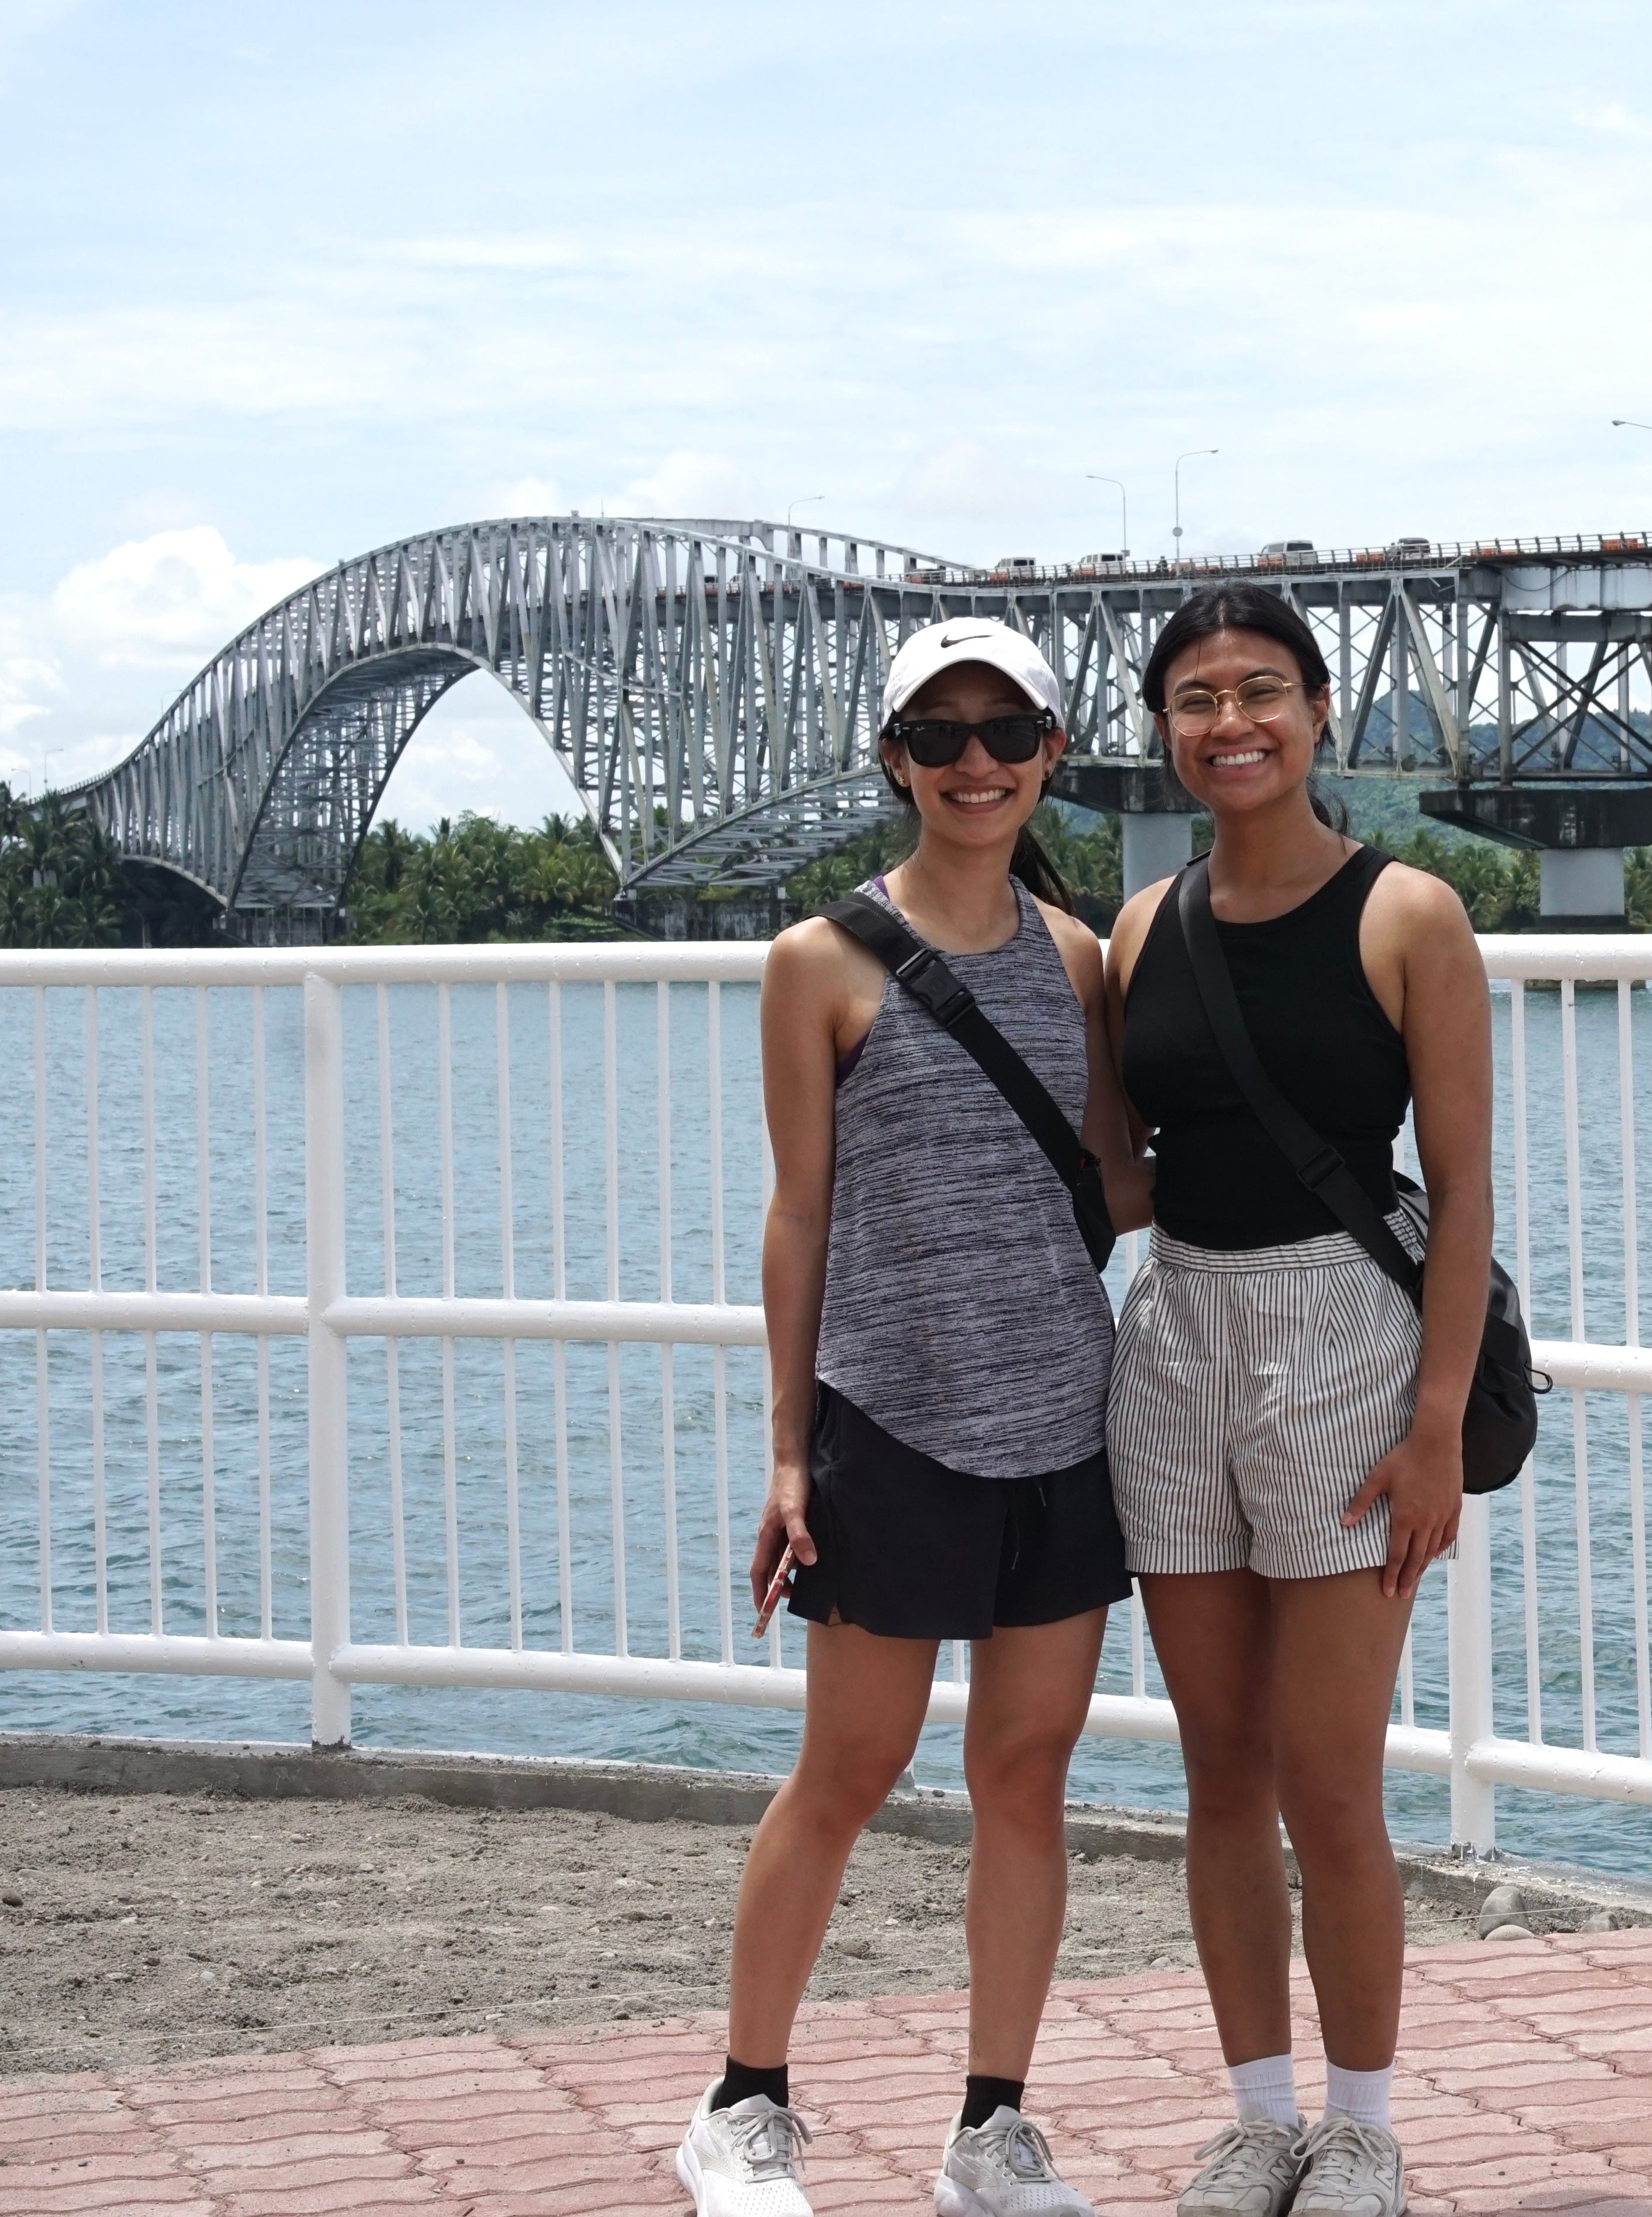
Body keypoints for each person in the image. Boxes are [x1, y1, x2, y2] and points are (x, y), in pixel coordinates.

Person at [678, 617, 1149, 2217]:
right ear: (895, 760)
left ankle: (992, 2129)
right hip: (894, 1416)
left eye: (1004, 731)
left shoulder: (1082, 959)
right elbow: (798, 1216)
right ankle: (744, 2103)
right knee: (849, 1766)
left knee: (1028, 1774)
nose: (974, 763)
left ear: (1050, 753)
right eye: (938, 736)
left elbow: (1115, 1179)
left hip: (1067, 1423)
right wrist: (791, 1448)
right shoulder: (821, 959)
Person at [1102, 585, 1495, 2217]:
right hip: (1178, 1326)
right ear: (1167, 730)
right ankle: (1258, 2117)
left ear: (1322, 712)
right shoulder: (1139, 926)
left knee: (1333, 1776)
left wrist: (1436, 1426)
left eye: (1263, 690)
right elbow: (1122, 1175)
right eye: (1197, 699)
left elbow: (1463, 1193)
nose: (1231, 723)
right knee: (1216, 1770)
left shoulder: (1410, 914)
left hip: (1346, 1343)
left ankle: (1364, 2128)